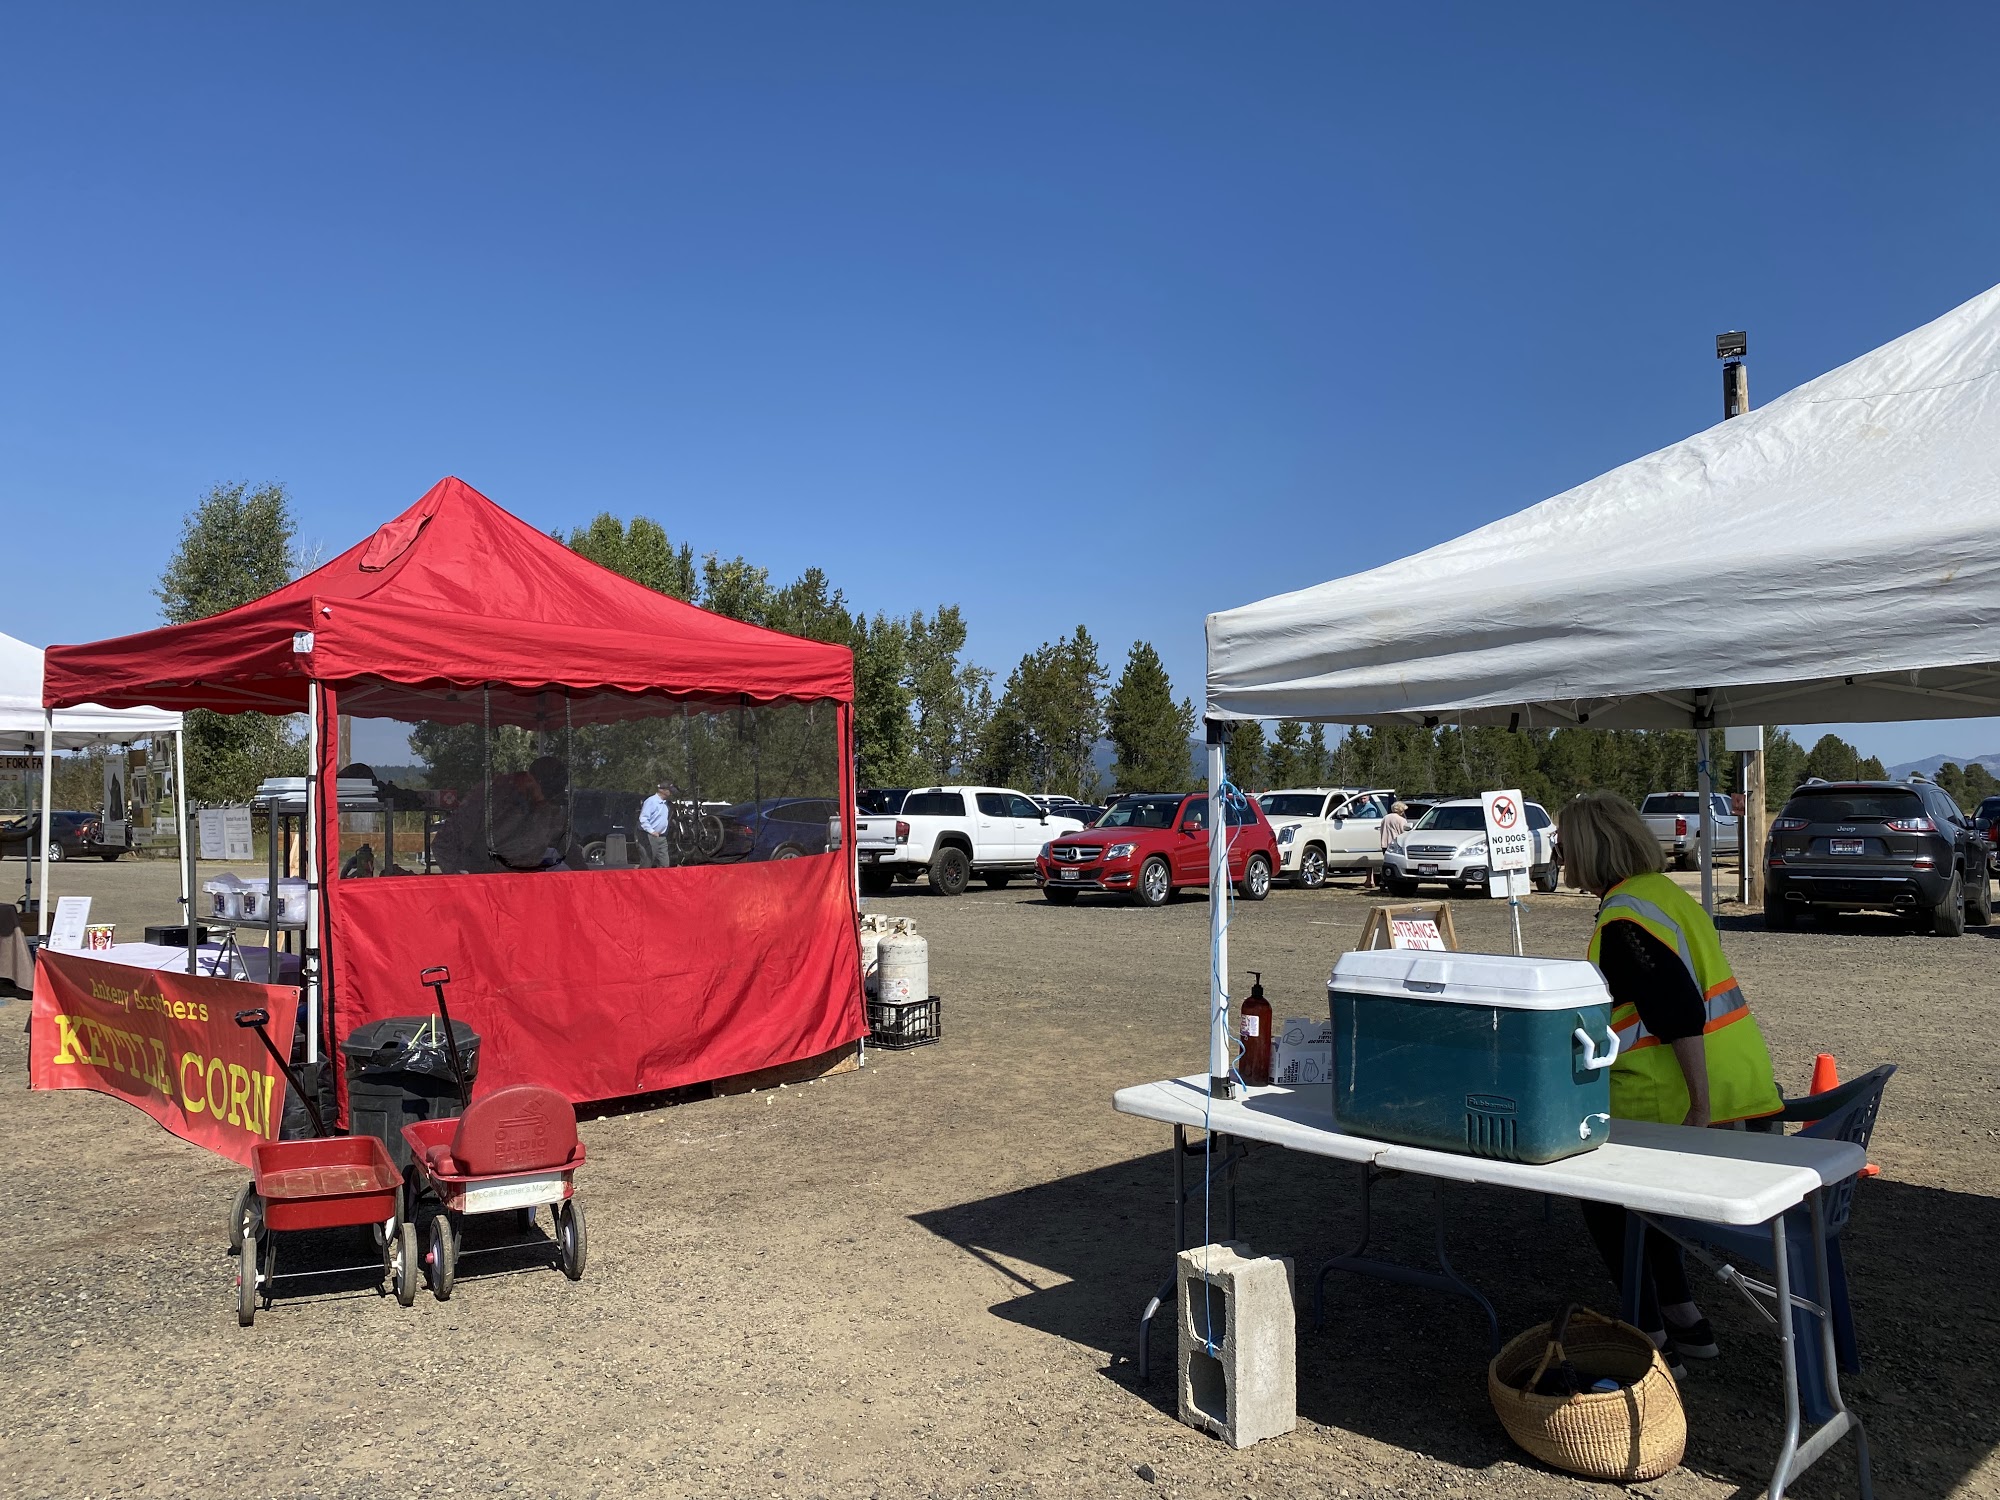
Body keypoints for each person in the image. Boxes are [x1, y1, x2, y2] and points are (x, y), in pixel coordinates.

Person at [1559, 789, 1784, 1377]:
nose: (1559, 857)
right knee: (1644, 1209)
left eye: (1565, 846)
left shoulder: (1625, 918)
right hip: (1741, 1081)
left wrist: (1699, 1111)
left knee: (1604, 1197)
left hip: (1679, 1097)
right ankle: (1685, 1319)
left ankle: (1649, 1337)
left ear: (1589, 850)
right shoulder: (1662, 895)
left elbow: (1678, 1012)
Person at [639, 779, 674, 868]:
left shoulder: (666, 804)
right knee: (647, 861)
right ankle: (641, 876)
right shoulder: (651, 801)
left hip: (662, 837)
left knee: (664, 863)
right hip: (648, 835)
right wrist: (652, 831)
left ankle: (663, 876)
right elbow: (643, 818)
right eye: (669, 790)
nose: (671, 793)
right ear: (662, 790)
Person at [1376, 800, 1410, 886]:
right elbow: (1404, 833)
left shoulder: (1385, 817)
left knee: (1386, 863)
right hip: (1395, 845)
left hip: (1384, 843)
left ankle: (1383, 881)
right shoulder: (1401, 820)